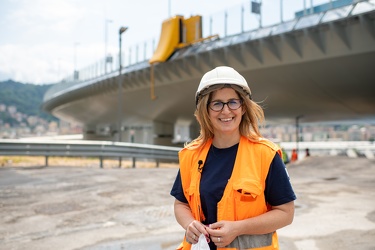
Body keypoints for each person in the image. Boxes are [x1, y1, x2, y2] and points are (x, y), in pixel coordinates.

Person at [170, 66, 296, 250]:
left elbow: (286, 213)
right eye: (217, 103)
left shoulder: (265, 155)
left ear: (243, 107)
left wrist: (238, 228)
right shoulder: (191, 155)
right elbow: (181, 204)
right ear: (206, 110)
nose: (226, 111)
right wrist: (189, 224)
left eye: (233, 102)